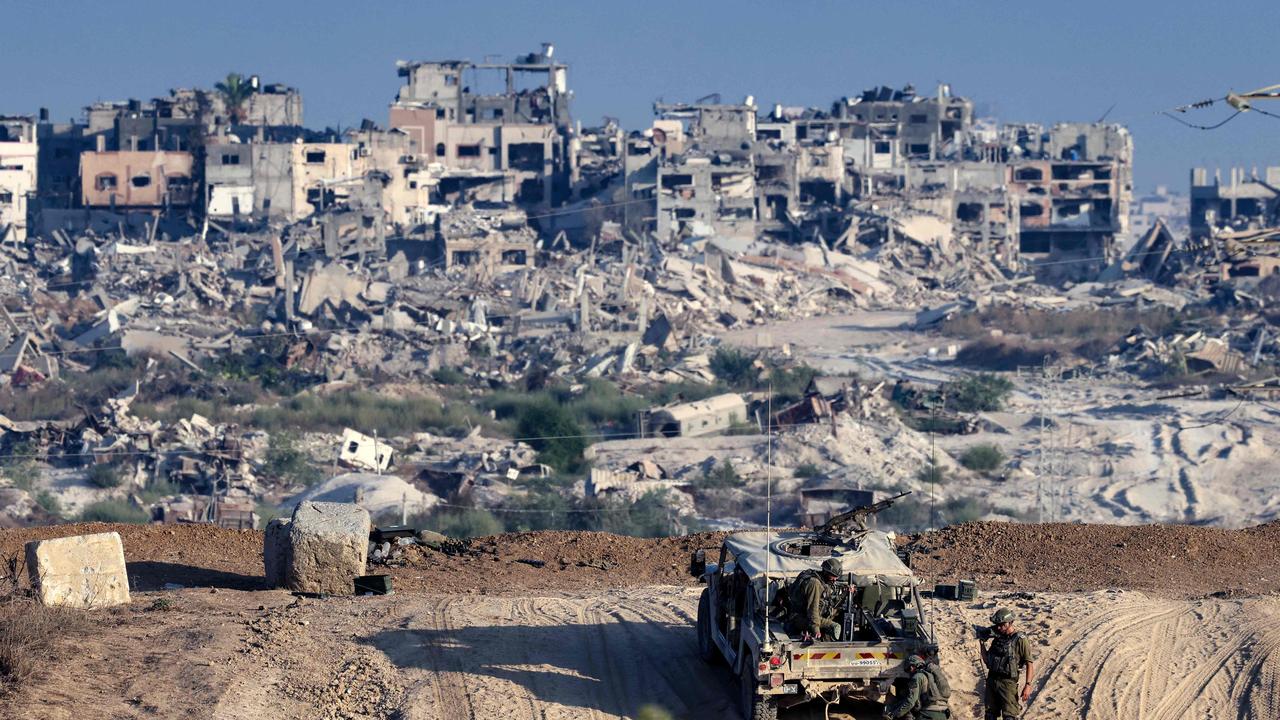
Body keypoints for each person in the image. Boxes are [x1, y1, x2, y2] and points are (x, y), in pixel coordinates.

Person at [979, 608, 1035, 719]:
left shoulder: (1020, 639)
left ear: (1010, 623)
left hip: (1008, 684)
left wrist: (1028, 685)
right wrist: (981, 643)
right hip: (992, 680)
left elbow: (1029, 663)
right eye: (998, 625)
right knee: (989, 715)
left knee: (1009, 716)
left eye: (1002, 625)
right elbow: (987, 661)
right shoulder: (997, 639)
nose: (999, 627)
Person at [786, 558, 843, 641]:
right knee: (835, 626)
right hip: (801, 618)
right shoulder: (814, 583)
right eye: (833, 576)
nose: (835, 579)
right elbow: (812, 610)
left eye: (836, 577)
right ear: (825, 572)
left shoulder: (822, 580)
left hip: (808, 616)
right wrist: (816, 629)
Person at [884, 654, 951, 719]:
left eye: (908, 670)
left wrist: (893, 714)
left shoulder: (917, 677)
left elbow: (910, 702)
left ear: (911, 667)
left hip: (928, 714)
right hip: (943, 714)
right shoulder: (932, 676)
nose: (909, 673)